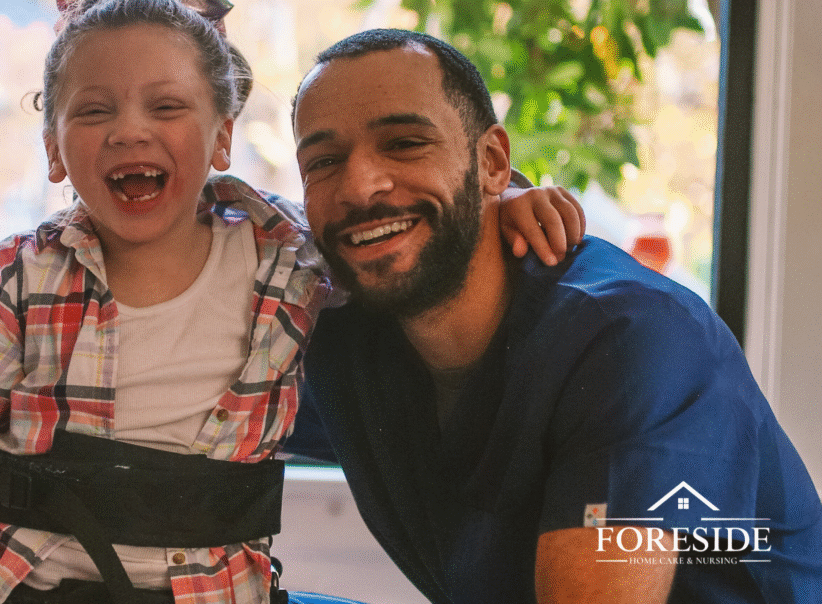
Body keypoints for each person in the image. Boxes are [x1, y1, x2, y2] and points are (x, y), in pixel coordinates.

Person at [0, 3, 584, 603]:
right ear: (55, 150)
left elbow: (388, 233)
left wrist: (503, 202)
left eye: (166, 106)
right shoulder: (25, 277)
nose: (130, 129)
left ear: (222, 137)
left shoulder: (286, 256)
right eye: (94, 112)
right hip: (25, 588)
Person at [284, 28, 822, 604]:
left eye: (406, 143)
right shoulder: (350, 328)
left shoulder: (630, 337)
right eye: (325, 160)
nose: (360, 186)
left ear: (492, 161)